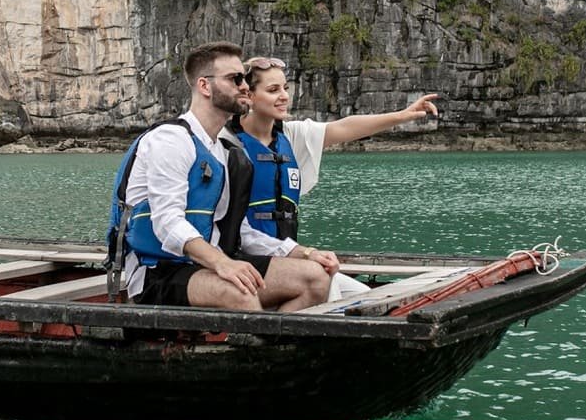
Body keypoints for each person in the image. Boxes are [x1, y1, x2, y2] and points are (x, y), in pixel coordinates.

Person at [108, 42, 342, 311]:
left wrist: (303, 252)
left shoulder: (222, 151)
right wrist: (223, 263)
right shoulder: (170, 141)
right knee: (240, 291)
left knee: (315, 278)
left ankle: (264, 343)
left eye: (244, 78)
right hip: (158, 272)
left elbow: (240, 231)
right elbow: (168, 223)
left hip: (204, 266)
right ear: (205, 86)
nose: (245, 86)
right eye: (235, 79)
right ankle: (258, 340)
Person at [234, 56, 440, 298]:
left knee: (366, 297)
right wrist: (306, 254)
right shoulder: (228, 144)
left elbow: (344, 127)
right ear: (249, 96)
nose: (284, 96)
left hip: (289, 257)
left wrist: (404, 115)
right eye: (273, 90)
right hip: (250, 264)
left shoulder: (290, 135)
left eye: (285, 88)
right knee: (328, 288)